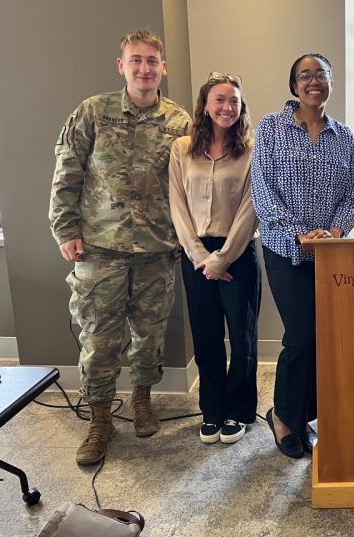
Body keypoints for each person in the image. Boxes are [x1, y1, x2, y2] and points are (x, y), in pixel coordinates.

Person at [49, 29, 192, 465]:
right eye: (136, 60)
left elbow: (190, 188)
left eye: (152, 60)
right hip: (99, 248)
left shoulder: (180, 122)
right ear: (121, 65)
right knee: (99, 339)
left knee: (150, 337)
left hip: (157, 249)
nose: (144, 68)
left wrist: (187, 238)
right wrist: (64, 229)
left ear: (163, 67)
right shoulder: (93, 112)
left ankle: (143, 400)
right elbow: (67, 172)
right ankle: (99, 421)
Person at [251, 53, 354, 458]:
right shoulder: (271, 128)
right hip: (285, 249)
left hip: (330, 254)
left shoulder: (343, 136)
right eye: (305, 75)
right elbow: (262, 189)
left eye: (322, 75)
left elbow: (350, 195)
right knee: (301, 336)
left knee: (324, 337)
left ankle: (305, 414)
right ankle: (282, 415)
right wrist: (299, 234)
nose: (314, 81)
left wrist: (333, 231)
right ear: (294, 85)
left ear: (331, 82)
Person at [169, 73, 261, 445]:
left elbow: (252, 208)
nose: (227, 107)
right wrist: (199, 256)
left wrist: (222, 259)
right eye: (220, 100)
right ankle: (212, 410)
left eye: (234, 101)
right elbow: (177, 204)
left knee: (242, 338)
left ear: (241, 108)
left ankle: (238, 411)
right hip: (195, 257)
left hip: (237, 254)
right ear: (205, 105)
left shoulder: (253, 149)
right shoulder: (182, 148)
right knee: (206, 337)